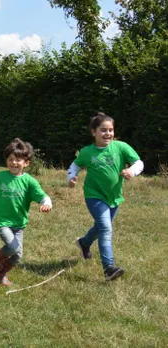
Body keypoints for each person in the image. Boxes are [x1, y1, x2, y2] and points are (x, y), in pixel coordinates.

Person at [68, 113, 143, 281]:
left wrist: (132, 171)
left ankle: (84, 243)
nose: (108, 133)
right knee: (106, 228)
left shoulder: (121, 147)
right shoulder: (87, 152)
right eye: (103, 130)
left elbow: (139, 163)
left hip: (114, 197)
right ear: (93, 132)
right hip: (94, 196)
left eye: (111, 130)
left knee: (101, 227)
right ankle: (109, 267)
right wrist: (71, 177)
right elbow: (75, 165)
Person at [0, 138, 52, 286]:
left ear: (26, 163)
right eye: (10, 159)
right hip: (1, 221)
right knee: (12, 247)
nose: (14, 163)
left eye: (18, 160)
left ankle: (2, 275)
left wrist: (46, 204)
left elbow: (43, 196)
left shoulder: (29, 181)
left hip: (19, 223)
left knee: (17, 256)